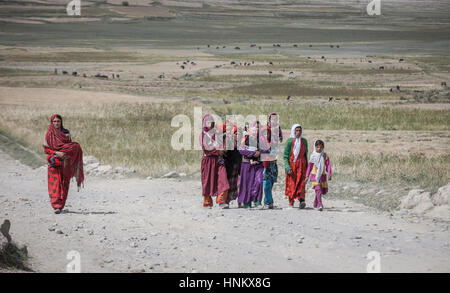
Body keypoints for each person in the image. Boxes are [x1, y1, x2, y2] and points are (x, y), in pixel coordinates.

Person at [43, 114, 84, 214]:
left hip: (65, 162)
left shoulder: (66, 133)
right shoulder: (49, 134)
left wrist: (65, 153)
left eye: (58, 121)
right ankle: (55, 205)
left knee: (64, 183)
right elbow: (46, 149)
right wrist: (56, 153)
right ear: (51, 122)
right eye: (54, 121)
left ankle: (61, 206)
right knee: (54, 184)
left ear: (61, 122)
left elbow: (69, 147)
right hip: (54, 161)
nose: (56, 123)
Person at [237, 120, 270, 208]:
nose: (257, 129)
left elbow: (267, 150)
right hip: (247, 164)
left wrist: (260, 152)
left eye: (259, 127)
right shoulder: (245, 138)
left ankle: (257, 201)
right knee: (247, 183)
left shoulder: (262, 139)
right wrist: (252, 154)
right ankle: (247, 202)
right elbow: (240, 149)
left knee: (259, 181)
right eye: (255, 127)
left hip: (258, 164)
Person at [200, 114, 230, 209]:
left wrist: (223, 149)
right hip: (208, 160)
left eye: (211, 122)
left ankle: (221, 201)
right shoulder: (203, 135)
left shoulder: (217, 134)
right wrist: (218, 151)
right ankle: (207, 202)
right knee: (207, 181)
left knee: (223, 179)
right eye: (207, 122)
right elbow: (206, 148)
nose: (210, 124)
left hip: (218, 161)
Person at [261, 113, 283, 209]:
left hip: (273, 161)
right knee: (266, 182)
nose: (273, 121)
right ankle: (269, 202)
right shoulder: (265, 130)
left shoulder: (277, 129)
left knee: (271, 182)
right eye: (272, 119)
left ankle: (267, 201)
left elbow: (280, 134)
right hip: (266, 162)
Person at [283, 124, 308, 209]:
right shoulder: (290, 141)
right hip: (292, 165)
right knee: (292, 183)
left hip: (302, 165)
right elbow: (285, 156)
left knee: (302, 183)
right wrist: (287, 167)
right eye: (296, 130)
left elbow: (305, 155)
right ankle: (291, 202)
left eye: (299, 130)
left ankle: (302, 201)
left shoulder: (304, 141)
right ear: (293, 131)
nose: (298, 132)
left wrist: (307, 167)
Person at [306, 139, 332, 211]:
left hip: (322, 175)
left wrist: (329, 173)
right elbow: (310, 166)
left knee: (321, 190)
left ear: (323, 147)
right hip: (314, 175)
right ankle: (320, 204)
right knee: (318, 189)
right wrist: (307, 175)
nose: (319, 149)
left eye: (321, 147)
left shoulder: (324, 155)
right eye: (317, 147)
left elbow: (328, 165)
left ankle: (315, 202)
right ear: (315, 147)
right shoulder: (313, 156)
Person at [221, 121, 242, 206]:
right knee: (229, 183)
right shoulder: (227, 139)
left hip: (238, 165)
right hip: (229, 165)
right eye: (235, 134)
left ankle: (240, 201)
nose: (237, 136)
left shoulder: (241, 143)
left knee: (238, 183)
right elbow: (224, 153)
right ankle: (226, 200)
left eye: (238, 134)